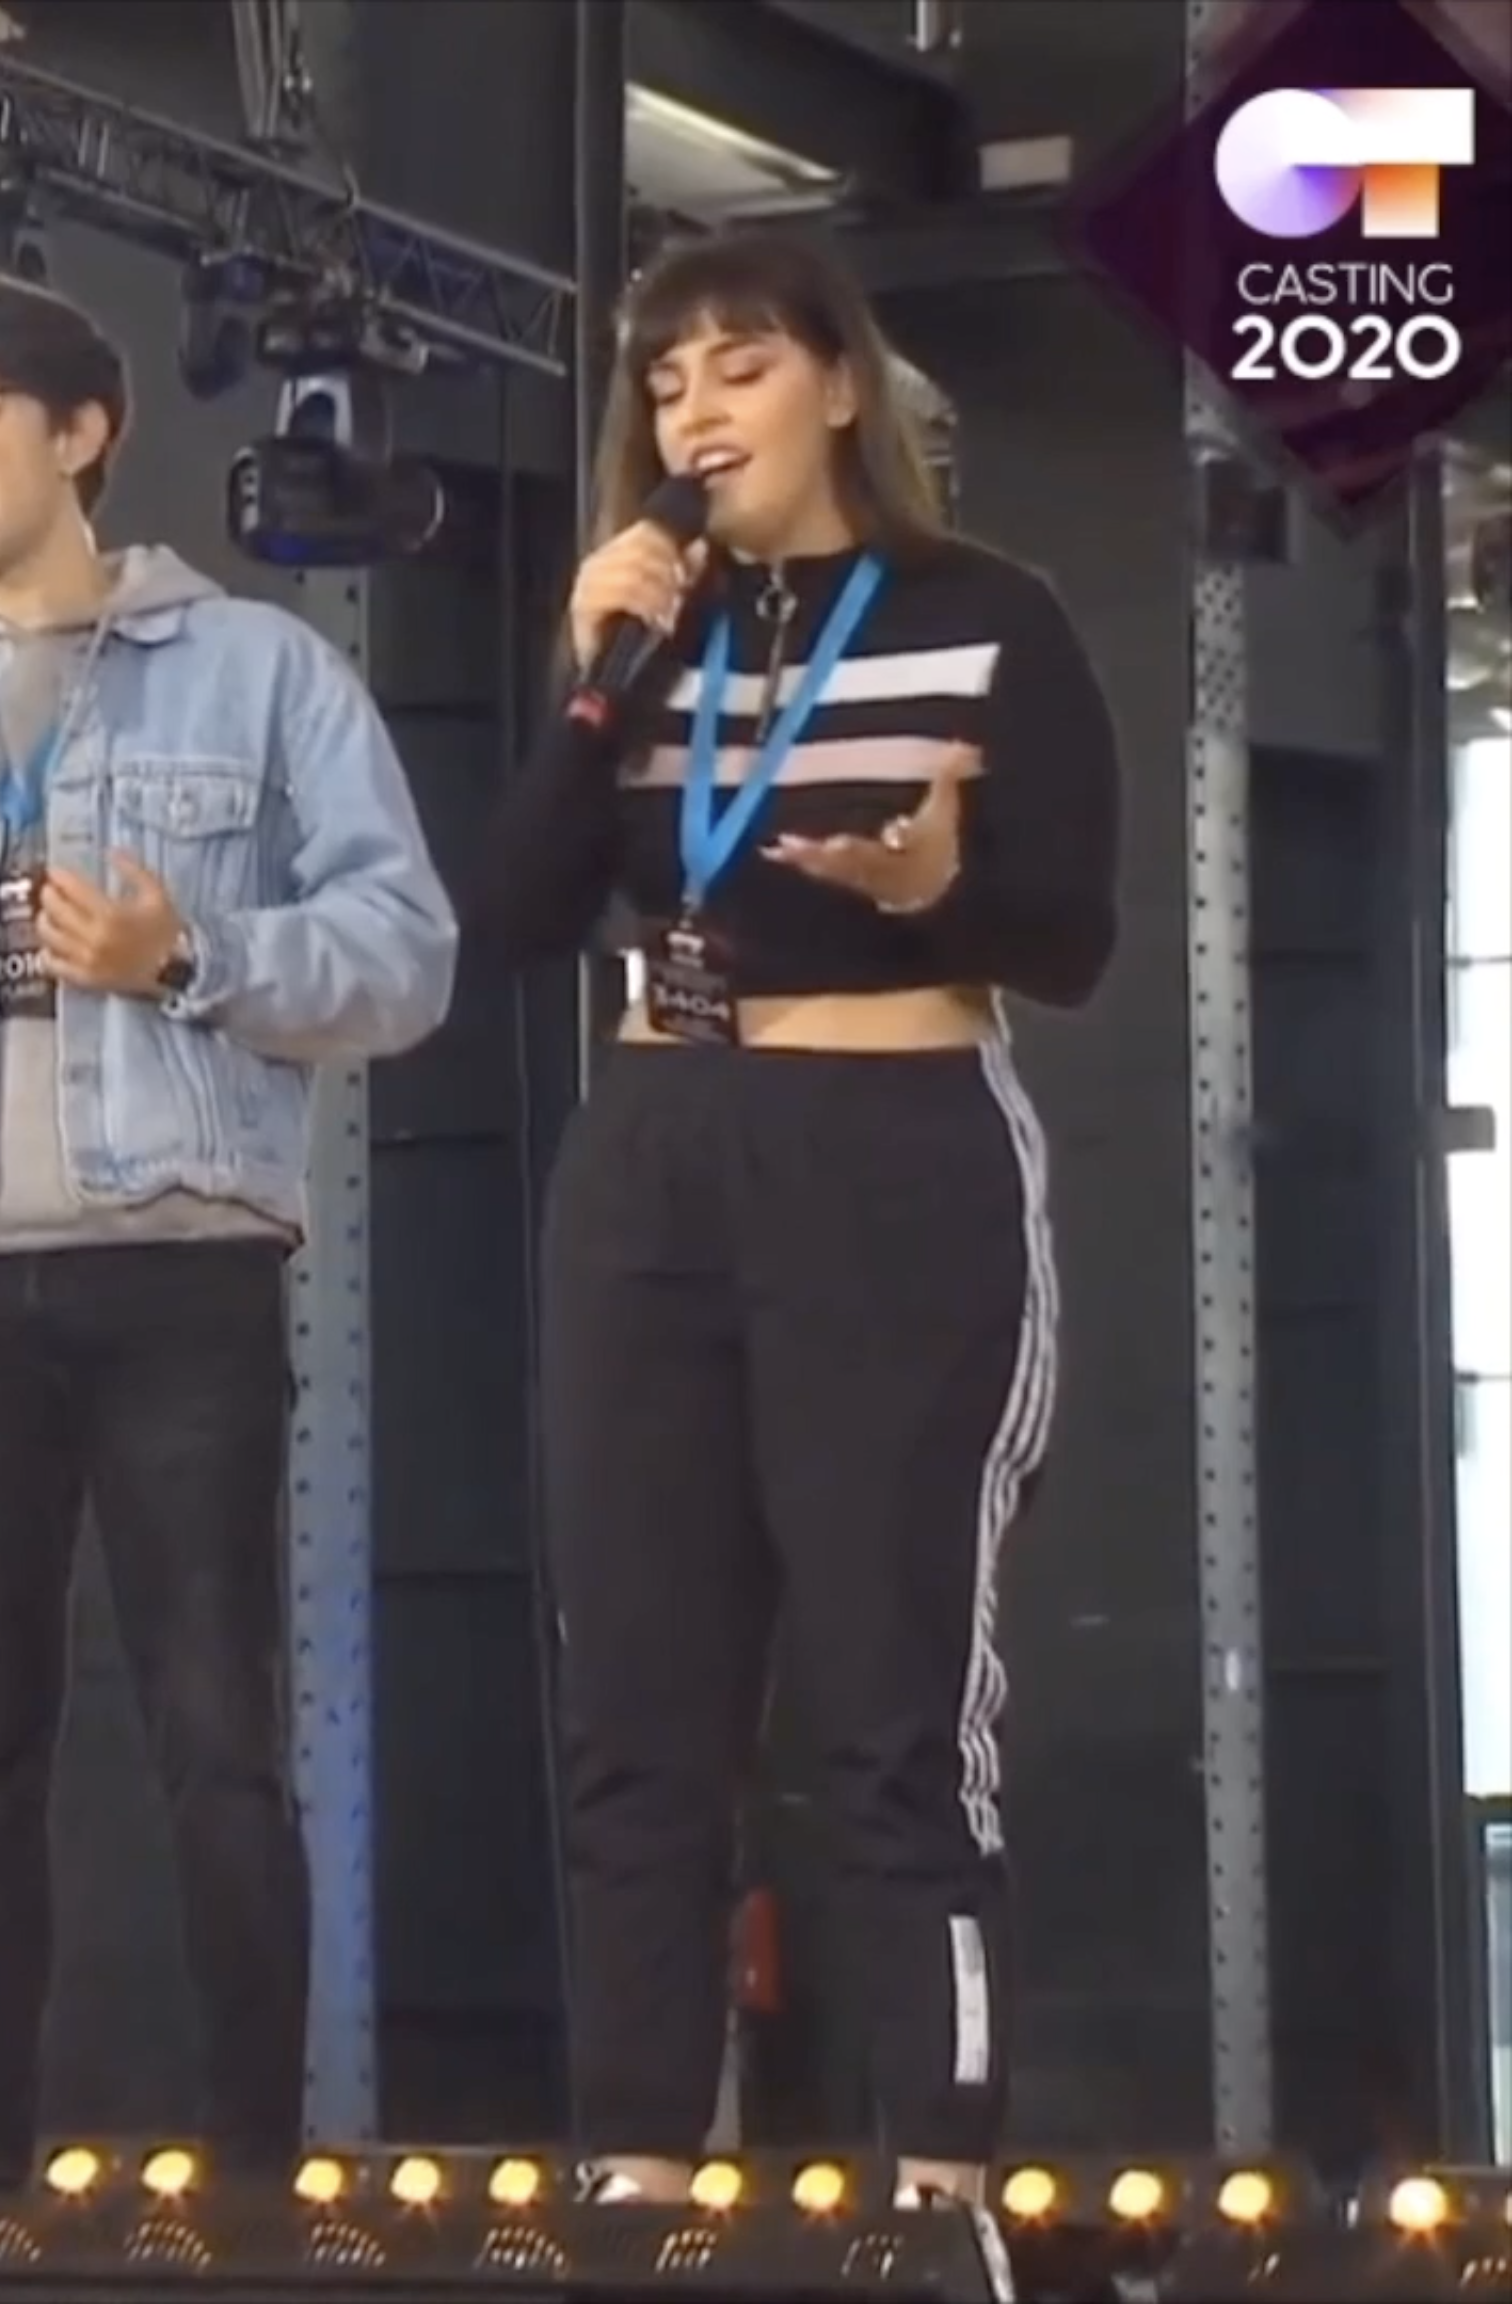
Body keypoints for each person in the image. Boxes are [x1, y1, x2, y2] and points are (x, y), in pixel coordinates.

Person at [0, 268, 458, 2185]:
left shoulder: (259, 670)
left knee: (218, 1730)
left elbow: (405, 951)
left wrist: (188, 952)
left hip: (178, 1257)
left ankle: (256, 2165)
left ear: (81, 431)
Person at [469, 228, 1119, 2210]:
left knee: (889, 1707)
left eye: (735, 368)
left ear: (838, 386)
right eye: (662, 385)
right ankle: (640, 2166)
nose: (693, 413)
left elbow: (1071, 939)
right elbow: (508, 917)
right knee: (635, 1705)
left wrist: (936, 890)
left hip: (889, 1140)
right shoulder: (647, 633)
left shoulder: (984, 615)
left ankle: (942, 2173)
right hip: (656, 1141)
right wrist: (589, 690)